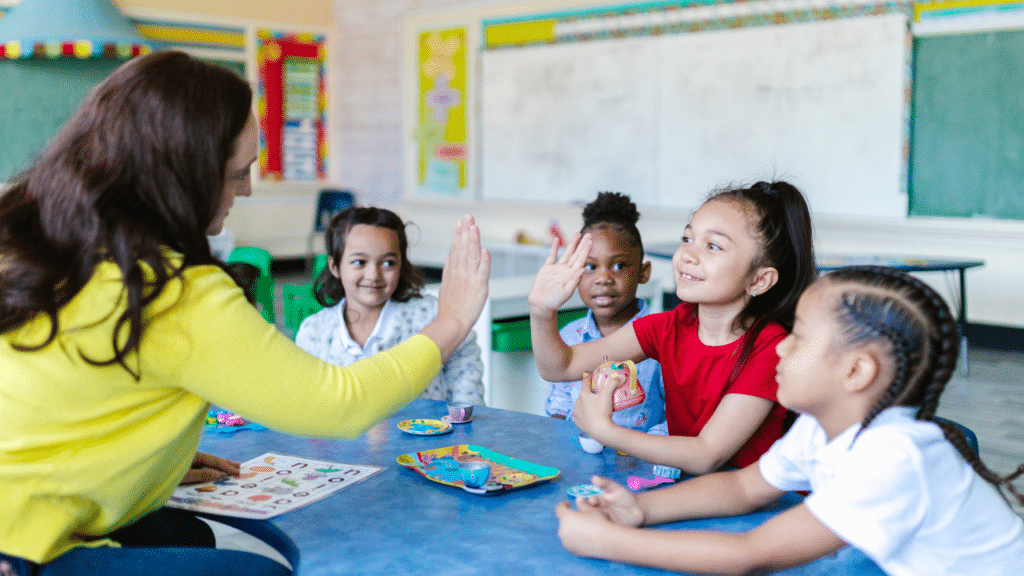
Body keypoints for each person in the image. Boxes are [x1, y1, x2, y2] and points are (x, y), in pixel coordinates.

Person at [0, 51, 490, 576]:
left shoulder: (47, 242)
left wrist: (149, 461)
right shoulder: (171, 290)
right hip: (19, 545)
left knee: (184, 531)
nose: (248, 190)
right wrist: (453, 320)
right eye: (237, 174)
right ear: (181, 178)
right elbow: (338, 404)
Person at [555, 266, 1024, 575]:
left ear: (856, 371)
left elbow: (749, 555)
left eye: (798, 338)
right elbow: (742, 488)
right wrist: (642, 510)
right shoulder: (821, 431)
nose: (780, 346)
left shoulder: (892, 457)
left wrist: (607, 542)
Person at [530, 181, 816, 474]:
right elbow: (560, 367)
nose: (687, 255)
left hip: (751, 508)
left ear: (759, 280)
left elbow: (706, 454)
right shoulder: (669, 327)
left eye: (713, 245)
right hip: (690, 490)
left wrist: (606, 431)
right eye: (687, 239)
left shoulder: (771, 348)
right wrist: (541, 311)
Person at [295, 206, 484, 405]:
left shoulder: (432, 315)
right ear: (335, 266)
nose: (373, 275)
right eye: (359, 262)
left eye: (388, 263)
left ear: (402, 264)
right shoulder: (314, 332)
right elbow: (306, 402)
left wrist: (464, 420)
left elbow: (465, 362)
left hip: (428, 435)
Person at [544, 192, 666, 435]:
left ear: (644, 272)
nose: (603, 278)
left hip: (640, 463)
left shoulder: (663, 340)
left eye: (619, 266)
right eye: (590, 267)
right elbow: (559, 405)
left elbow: (677, 420)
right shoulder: (569, 336)